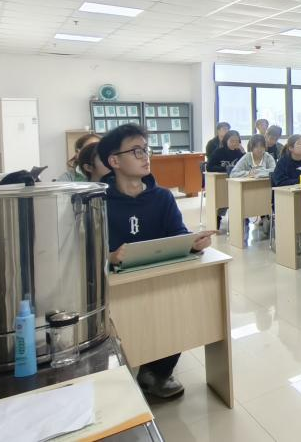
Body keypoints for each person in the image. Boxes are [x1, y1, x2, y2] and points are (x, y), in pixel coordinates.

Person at [98, 124, 215, 400]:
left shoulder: (161, 196)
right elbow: (86, 251)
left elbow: (178, 233)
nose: (145, 156)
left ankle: (158, 372)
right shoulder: (99, 201)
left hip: (160, 279)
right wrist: (109, 256)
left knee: (182, 308)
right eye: (136, 151)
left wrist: (193, 243)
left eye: (145, 149)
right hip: (115, 287)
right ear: (114, 161)